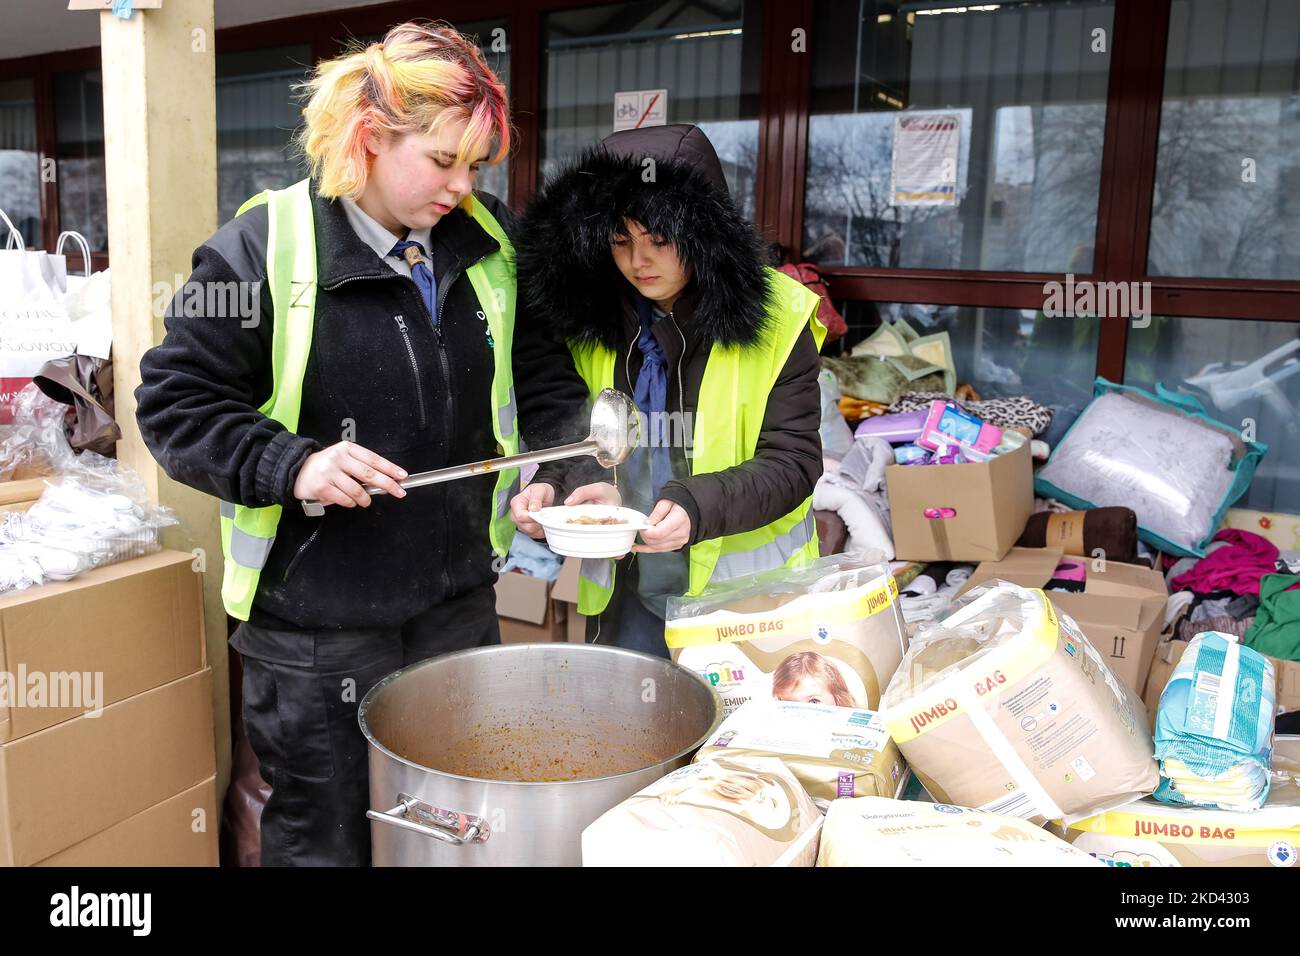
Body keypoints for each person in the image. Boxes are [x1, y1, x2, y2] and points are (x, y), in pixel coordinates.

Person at [135, 22, 599, 866]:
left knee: (453, 825)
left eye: (476, 166)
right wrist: (295, 462)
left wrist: (568, 476)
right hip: (315, 626)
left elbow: (546, 383)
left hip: (455, 607)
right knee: (326, 841)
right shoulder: (258, 251)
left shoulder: (489, 242)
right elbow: (176, 405)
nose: (462, 187)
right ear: (369, 140)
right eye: (442, 161)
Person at [512, 124, 826, 657]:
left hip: (746, 599)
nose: (639, 262)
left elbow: (794, 461)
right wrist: (555, 480)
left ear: (703, 235)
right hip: (628, 589)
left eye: (659, 240)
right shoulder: (591, 320)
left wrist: (695, 506)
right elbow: (586, 437)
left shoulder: (780, 315)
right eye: (620, 241)